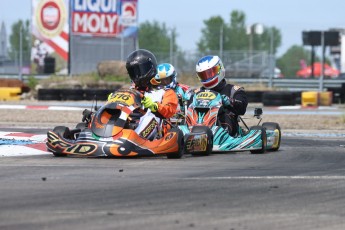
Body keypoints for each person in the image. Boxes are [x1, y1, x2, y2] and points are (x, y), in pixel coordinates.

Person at [109, 49, 178, 140]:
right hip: (130, 123)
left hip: (157, 128)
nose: (137, 75)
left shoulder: (164, 91)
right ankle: (105, 135)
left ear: (150, 68)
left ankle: (136, 139)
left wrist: (155, 106)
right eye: (134, 72)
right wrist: (113, 101)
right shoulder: (130, 90)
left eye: (140, 70)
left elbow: (170, 111)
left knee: (152, 116)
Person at [195, 55, 248, 136]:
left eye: (210, 73)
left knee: (224, 113)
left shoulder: (234, 90)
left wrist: (229, 101)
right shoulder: (197, 93)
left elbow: (242, 108)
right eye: (204, 75)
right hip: (199, 124)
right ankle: (189, 135)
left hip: (225, 125)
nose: (208, 77)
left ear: (220, 68)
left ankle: (221, 136)